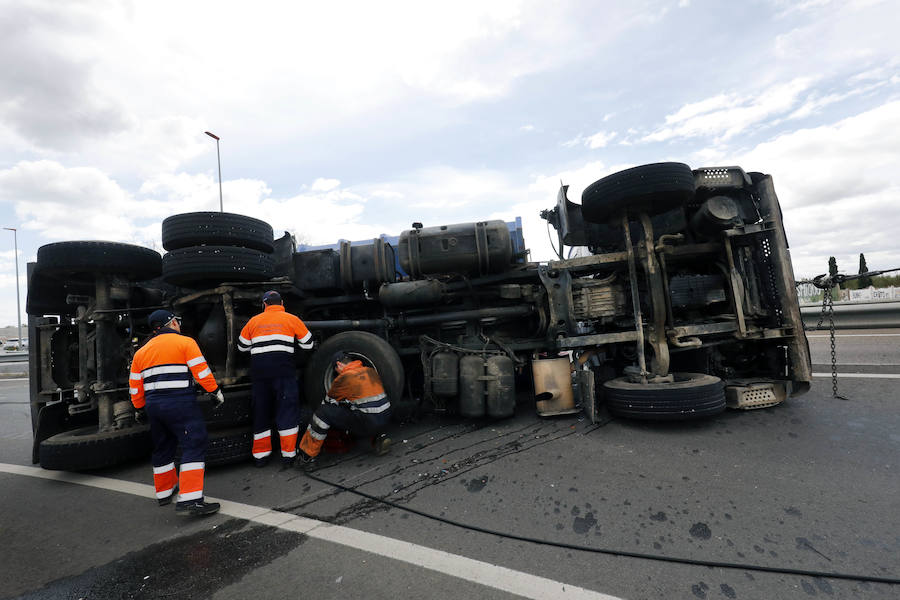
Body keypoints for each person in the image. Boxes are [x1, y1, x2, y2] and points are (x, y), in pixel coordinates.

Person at [129, 309, 223, 517]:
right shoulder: (185, 342)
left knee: (163, 446)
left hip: (154, 406)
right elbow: (202, 371)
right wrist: (214, 391)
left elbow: (135, 386)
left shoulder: (141, 352)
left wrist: (138, 408)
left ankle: (164, 492)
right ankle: (190, 500)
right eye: (177, 321)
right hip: (179, 402)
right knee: (194, 443)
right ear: (170, 323)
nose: (179, 324)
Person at [238, 290, 313, 467]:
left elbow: (242, 347)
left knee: (261, 412)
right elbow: (308, 344)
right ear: (281, 303)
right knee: (287, 411)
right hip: (284, 372)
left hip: (260, 375)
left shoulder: (253, 321)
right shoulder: (292, 319)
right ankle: (288, 456)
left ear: (264, 304)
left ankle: (261, 457)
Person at [297, 352, 392, 466]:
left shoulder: (343, 377)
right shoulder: (369, 371)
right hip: (386, 416)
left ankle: (307, 456)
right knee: (367, 407)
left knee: (322, 413)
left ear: (339, 364)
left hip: (368, 421)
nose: (336, 372)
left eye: (335, 369)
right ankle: (380, 438)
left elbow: (328, 401)